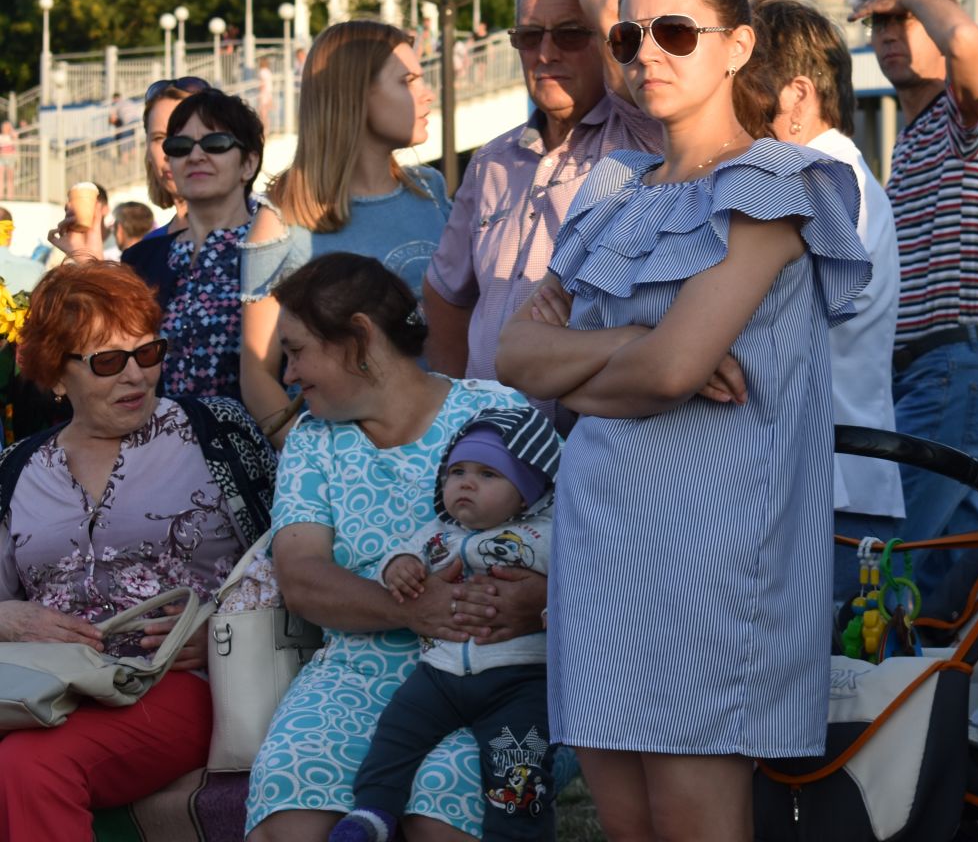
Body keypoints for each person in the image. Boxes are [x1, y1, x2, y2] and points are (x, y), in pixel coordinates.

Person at [495, 0, 869, 841]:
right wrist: (631, 343)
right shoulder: (614, 187)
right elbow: (514, 354)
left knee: (695, 821)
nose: (646, 53)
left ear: (737, 46)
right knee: (625, 821)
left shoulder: (779, 183)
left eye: (674, 32)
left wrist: (600, 365)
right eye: (629, 34)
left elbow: (667, 373)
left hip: (716, 545)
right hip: (599, 540)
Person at [247, 253, 548, 842]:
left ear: (358, 337)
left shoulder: (497, 412)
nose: (287, 375)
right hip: (356, 675)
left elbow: (576, 541)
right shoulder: (315, 441)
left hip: (501, 679)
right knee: (293, 818)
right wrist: (414, 609)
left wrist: (540, 599)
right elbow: (302, 577)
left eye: (298, 350)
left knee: (440, 810)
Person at [0, 260, 276, 839]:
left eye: (148, 353)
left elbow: (291, 549)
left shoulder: (215, 433)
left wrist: (229, 630)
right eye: (107, 361)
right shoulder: (17, 468)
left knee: (30, 765)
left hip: (176, 681)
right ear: (57, 375)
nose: (135, 377)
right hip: (42, 685)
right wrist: (10, 618)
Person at [424, 0, 662, 407]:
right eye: (530, 36)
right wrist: (457, 407)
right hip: (486, 449)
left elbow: (616, 4)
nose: (546, 53)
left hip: (588, 441)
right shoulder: (491, 162)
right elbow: (445, 295)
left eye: (570, 35)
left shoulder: (642, 138)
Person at [734, 0, 906, 602]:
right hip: (833, 487)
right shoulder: (835, 177)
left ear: (797, 96)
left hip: (825, 496)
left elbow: (755, 324)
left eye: (739, 79)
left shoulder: (821, 183)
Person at [850, 0, 978, 571]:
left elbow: (969, 45)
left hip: (957, 361)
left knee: (883, 556)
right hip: (927, 371)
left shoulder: (966, 117)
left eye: (909, 20)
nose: (891, 33)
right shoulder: (911, 138)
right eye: (882, 23)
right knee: (952, 571)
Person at [330, 409, 562, 842]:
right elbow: (401, 555)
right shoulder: (438, 534)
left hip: (520, 679)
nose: (466, 483)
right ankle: (374, 811)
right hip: (438, 674)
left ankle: (516, 834)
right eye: (457, 471)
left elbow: (587, 584)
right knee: (395, 732)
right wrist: (398, 567)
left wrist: (548, 597)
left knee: (517, 764)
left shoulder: (548, 536)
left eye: (489, 474)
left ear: (529, 492)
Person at [240, 21, 449, 437]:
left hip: (447, 457)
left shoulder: (433, 190)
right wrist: (315, 463)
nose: (427, 94)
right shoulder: (282, 215)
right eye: (407, 81)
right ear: (355, 94)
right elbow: (257, 372)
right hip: (348, 477)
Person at [156, 88, 265, 403]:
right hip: (160, 446)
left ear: (249, 163)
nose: (195, 156)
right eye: (180, 146)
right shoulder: (141, 260)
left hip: (253, 443)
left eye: (215, 144)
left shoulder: (276, 252)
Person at [121, 76, 214, 300]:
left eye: (183, 137)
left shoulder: (258, 234)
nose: (170, 150)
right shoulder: (142, 255)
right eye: (159, 138)